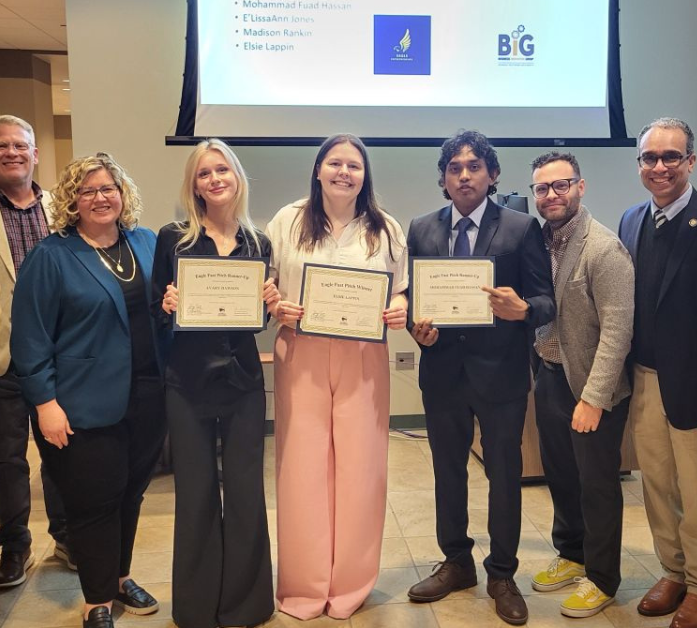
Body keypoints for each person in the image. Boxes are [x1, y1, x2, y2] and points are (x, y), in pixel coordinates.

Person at [11, 153, 169, 628]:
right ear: (71, 200)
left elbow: (161, 314)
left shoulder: (147, 242)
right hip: (80, 403)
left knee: (131, 494)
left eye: (109, 189)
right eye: (88, 190)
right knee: (93, 501)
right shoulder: (52, 254)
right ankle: (96, 600)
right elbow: (30, 337)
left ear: (124, 195)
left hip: (147, 396)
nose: (101, 198)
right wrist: (44, 403)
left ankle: (120, 577)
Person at [405, 130, 555, 626]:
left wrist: (522, 310)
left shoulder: (519, 227)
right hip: (442, 373)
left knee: (504, 476)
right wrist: (417, 331)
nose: (464, 175)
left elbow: (545, 300)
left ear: (491, 175)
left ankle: (502, 573)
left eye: (473, 167)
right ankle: (457, 562)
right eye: (454, 168)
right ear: (443, 179)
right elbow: (414, 304)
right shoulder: (421, 228)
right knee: (447, 472)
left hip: (502, 376)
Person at [267, 133, 409, 620]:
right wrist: (276, 306)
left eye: (354, 165)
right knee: (301, 470)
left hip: (364, 359)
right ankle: (304, 586)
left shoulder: (385, 228)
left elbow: (403, 291)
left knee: (360, 471)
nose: (344, 172)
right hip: (300, 353)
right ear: (319, 168)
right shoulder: (287, 220)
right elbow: (263, 286)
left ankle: (350, 584)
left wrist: (397, 308)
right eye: (335, 163)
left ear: (365, 174)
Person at [617, 118, 697, 628]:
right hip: (645, 379)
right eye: (650, 158)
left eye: (671, 157)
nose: (660, 166)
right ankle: (673, 571)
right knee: (658, 486)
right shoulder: (630, 220)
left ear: (691, 161)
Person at [153, 139, 279, 628]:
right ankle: (199, 607)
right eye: (204, 173)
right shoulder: (174, 239)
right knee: (197, 491)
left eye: (222, 170)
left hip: (244, 380)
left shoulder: (258, 242)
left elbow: (255, 323)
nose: (214, 180)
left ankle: (246, 605)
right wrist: (166, 306)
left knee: (246, 491)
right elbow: (156, 314)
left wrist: (269, 301)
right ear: (194, 185)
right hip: (186, 383)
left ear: (237, 177)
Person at [0, 114, 71, 588]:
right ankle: (15, 544)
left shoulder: (64, 208)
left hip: (58, 355)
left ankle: (65, 536)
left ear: (35, 153)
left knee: (61, 450)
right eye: (0, 146)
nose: (12, 152)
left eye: (20, 145)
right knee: (5, 458)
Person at [527, 151, 634, 619]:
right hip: (550, 376)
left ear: (580, 187)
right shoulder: (538, 243)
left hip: (592, 386)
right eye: (542, 188)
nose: (551, 195)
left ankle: (603, 578)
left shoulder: (603, 249)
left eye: (561, 185)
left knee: (597, 485)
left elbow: (617, 330)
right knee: (562, 476)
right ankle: (571, 554)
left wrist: (593, 398)